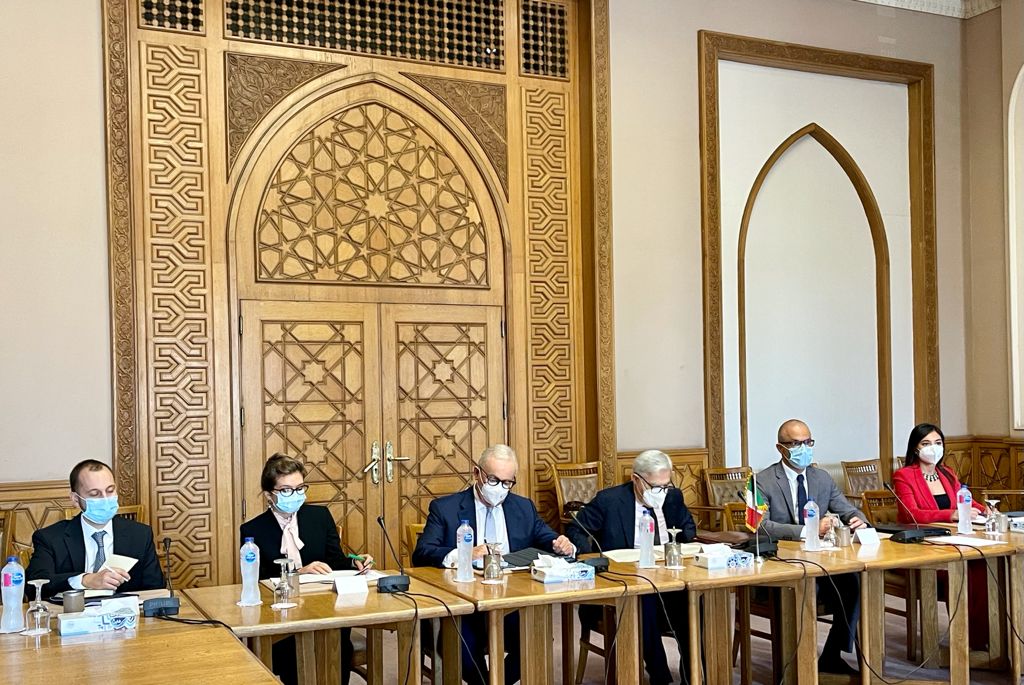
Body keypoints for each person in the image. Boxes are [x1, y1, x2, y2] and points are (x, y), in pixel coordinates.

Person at [412, 444, 574, 685]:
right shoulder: (445, 508)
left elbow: (547, 538)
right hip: (463, 606)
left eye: (507, 482)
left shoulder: (523, 507)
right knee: (460, 645)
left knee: (536, 637)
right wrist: (465, 554)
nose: (500, 488)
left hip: (510, 603)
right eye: (494, 480)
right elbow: (422, 553)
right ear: (477, 473)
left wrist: (562, 544)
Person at [567, 449, 697, 685]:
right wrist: (593, 558)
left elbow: (688, 529)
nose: (661, 492)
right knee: (642, 599)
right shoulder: (609, 501)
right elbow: (576, 530)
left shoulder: (673, 497)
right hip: (624, 585)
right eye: (655, 487)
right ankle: (660, 677)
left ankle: (693, 677)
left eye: (666, 486)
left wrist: (675, 541)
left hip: (668, 578)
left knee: (697, 600)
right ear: (636, 479)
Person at [240, 453, 371, 685]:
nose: (295, 495)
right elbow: (258, 579)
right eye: (286, 490)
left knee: (337, 639)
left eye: (300, 488)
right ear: (270, 495)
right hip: (282, 615)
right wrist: (297, 573)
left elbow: (335, 560)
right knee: (293, 651)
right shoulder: (253, 530)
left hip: (324, 606)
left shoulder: (319, 517)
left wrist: (355, 562)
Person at [756, 419, 866, 675]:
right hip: (781, 563)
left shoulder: (822, 478)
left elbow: (847, 508)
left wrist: (856, 519)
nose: (804, 448)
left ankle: (831, 655)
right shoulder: (762, 481)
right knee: (807, 586)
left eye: (808, 442)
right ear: (780, 448)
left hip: (821, 560)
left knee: (854, 582)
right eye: (796, 444)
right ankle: (798, 666)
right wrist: (809, 530)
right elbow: (761, 527)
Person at [892, 422, 989, 649]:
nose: (933, 448)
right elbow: (911, 514)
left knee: (984, 565)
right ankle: (969, 641)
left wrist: (985, 510)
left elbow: (964, 499)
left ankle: (987, 638)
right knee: (965, 570)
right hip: (920, 547)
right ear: (915, 448)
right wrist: (951, 514)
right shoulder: (904, 475)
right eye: (926, 443)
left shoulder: (947, 473)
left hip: (954, 541)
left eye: (937, 443)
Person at [27, 459, 164, 599]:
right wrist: (85, 580)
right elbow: (33, 587)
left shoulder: (140, 535)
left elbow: (156, 589)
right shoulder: (50, 538)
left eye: (110, 491)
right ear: (75, 499)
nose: (105, 499)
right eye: (94, 494)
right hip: (74, 611)